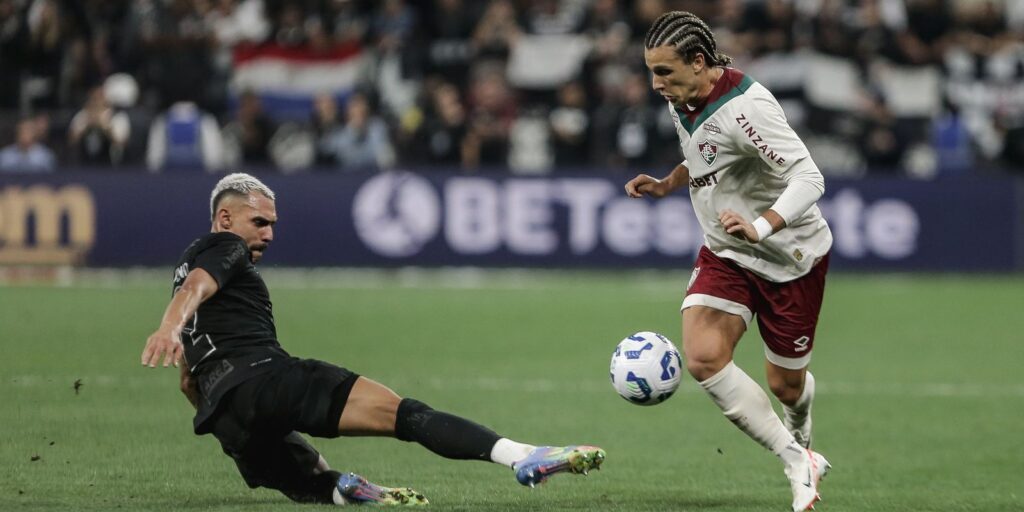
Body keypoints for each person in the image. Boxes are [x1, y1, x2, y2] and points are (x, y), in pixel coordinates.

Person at [140, 173, 604, 506]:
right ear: (225, 217)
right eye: (259, 222)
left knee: (309, 480)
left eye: (273, 224)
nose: (270, 234)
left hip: (223, 413)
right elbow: (195, 287)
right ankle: (520, 456)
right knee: (408, 415)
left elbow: (188, 381)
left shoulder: (188, 263)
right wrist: (168, 326)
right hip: (268, 380)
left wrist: (227, 422)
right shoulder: (225, 248)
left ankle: (348, 492)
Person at [624, 11, 832, 512]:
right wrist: (669, 183)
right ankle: (796, 458)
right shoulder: (683, 98)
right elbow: (705, 155)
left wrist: (761, 227)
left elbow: (810, 178)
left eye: (664, 72)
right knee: (702, 357)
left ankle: (800, 428)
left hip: (789, 257)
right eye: (651, 72)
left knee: (786, 387)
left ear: (699, 62)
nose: (656, 84)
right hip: (726, 251)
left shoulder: (749, 108)